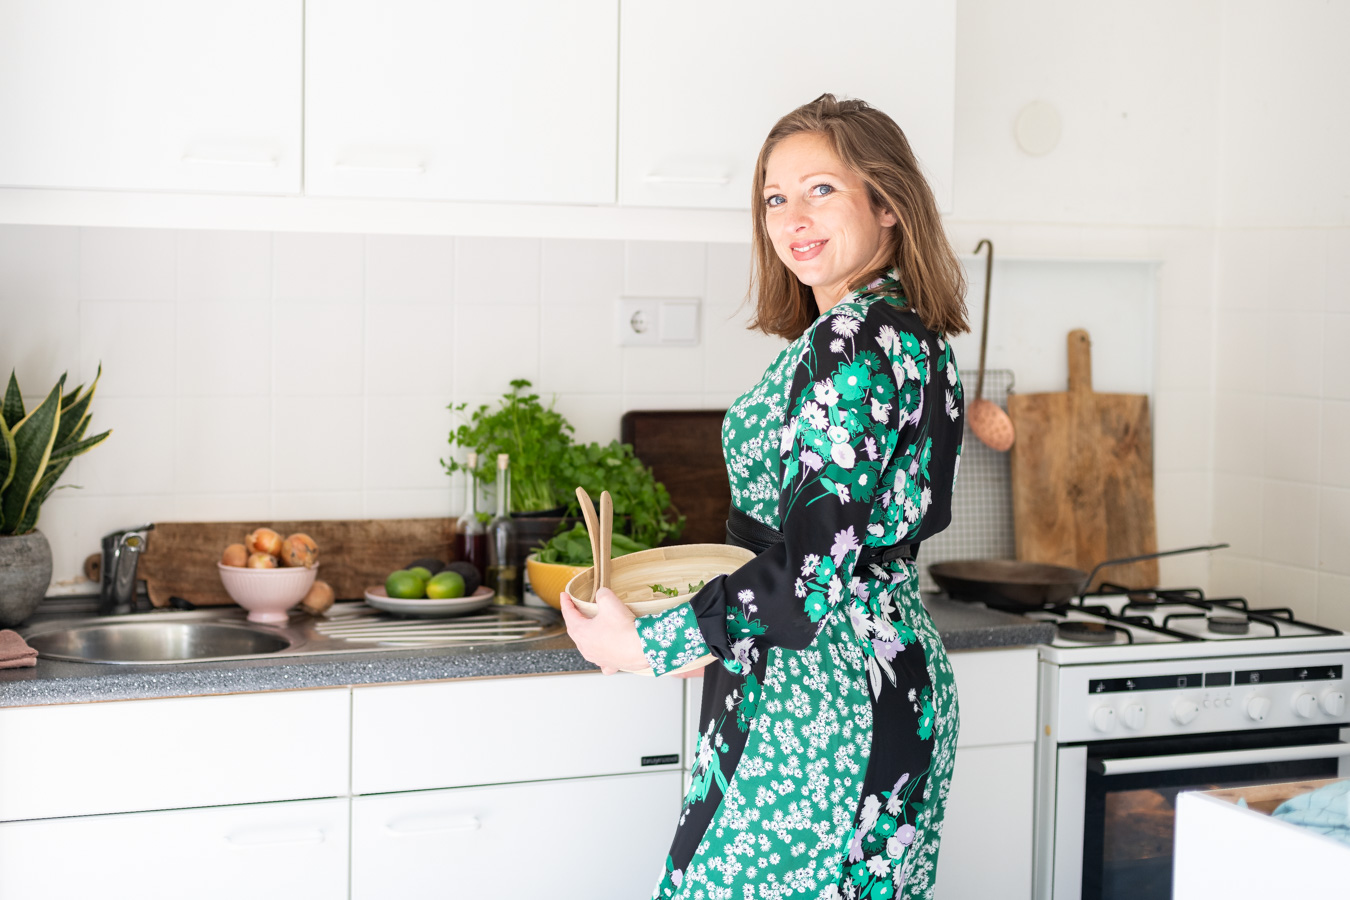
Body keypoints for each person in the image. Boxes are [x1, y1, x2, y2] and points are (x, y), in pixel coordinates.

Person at [561, 93, 969, 900]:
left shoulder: (849, 340)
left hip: (821, 705)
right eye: (775, 198)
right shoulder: (910, 331)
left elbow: (815, 571)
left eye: (821, 188)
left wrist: (656, 644)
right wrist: (713, 636)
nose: (792, 217)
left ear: (886, 203)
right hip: (878, 677)